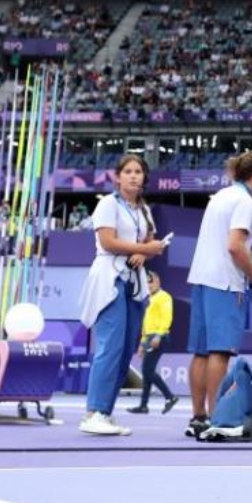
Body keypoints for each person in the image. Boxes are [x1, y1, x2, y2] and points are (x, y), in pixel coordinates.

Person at [186, 150, 252, 439]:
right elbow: (235, 246)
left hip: (201, 279)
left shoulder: (221, 196)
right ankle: (218, 418)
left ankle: (199, 417)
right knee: (220, 352)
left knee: (202, 352)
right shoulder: (244, 202)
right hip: (225, 282)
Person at [79, 154, 168, 436]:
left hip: (134, 282)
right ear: (118, 177)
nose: (133, 176)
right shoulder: (108, 204)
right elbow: (108, 241)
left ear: (144, 177)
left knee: (127, 350)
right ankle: (93, 412)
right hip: (110, 277)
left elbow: (149, 235)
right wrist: (142, 250)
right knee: (110, 346)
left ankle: (105, 411)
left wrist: (143, 250)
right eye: (128, 171)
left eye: (138, 171)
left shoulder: (143, 209)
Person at [129, 271, 179, 415]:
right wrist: (142, 343)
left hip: (159, 337)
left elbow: (166, 318)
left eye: (151, 282)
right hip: (149, 337)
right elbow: (146, 323)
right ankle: (143, 405)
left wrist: (158, 336)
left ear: (158, 282)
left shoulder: (164, 297)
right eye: (147, 283)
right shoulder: (149, 299)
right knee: (147, 371)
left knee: (147, 371)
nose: (149, 285)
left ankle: (170, 397)